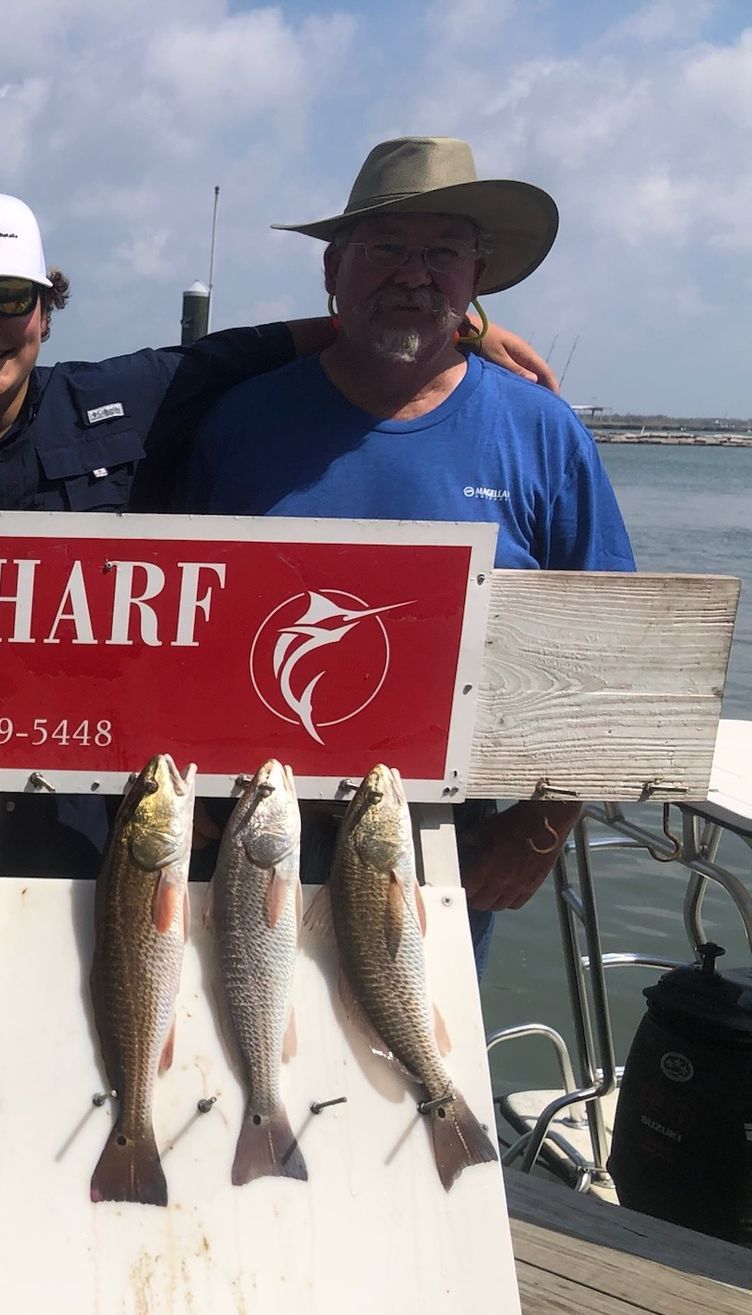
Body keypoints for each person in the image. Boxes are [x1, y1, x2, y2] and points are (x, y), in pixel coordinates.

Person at [0, 188, 558, 882]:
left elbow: (262, 347)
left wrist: (458, 325)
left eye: (11, 297)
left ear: (46, 312)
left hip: (87, 849)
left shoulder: (129, 400)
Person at [179, 136, 636, 967]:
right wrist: (177, 787)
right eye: (386, 250)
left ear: (476, 278)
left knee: (411, 1081)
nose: (413, 274)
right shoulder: (237, 420)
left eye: (442, 254)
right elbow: (163, 620)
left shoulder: (543, 434)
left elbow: (612, 654)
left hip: (441, 841)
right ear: (333, 270)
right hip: (246, 830)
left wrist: (539, 831)